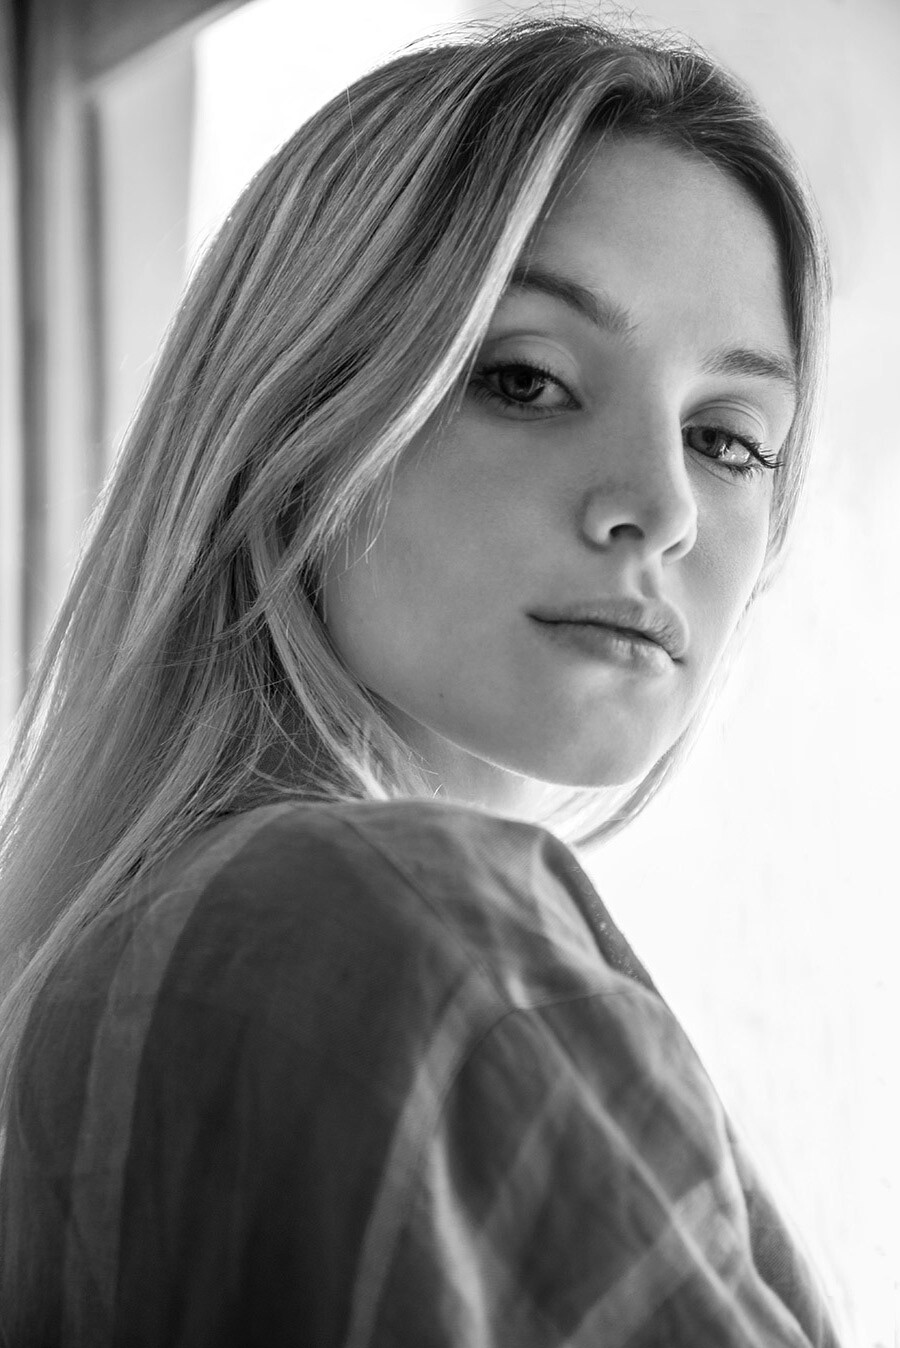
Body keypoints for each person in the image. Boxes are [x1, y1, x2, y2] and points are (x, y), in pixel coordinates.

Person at [0, 13, 839, 1346]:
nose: (665, 504)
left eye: (729, 439)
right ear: (292, 416)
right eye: (527, 378)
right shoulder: (394, 927)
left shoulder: (111, 978)